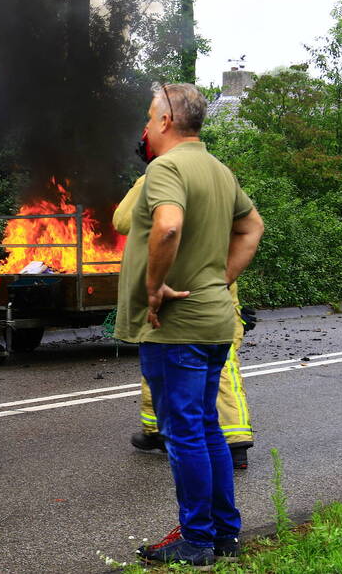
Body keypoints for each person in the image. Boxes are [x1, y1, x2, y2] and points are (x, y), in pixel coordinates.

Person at [114, 83, 264, 568]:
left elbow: (169, 225)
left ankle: (197, 541)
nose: (146, 124)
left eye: (148, 115)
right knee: (206, 428)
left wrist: (154, 286)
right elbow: (252, 227)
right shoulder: (219, 169)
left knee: (184, 435)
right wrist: (221, 278)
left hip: (176, 327)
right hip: (215, 320)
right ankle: (225, 533)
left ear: (164, 121)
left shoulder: (167, 167)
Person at [114, 174, 256, 469]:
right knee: (183, 355)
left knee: (205, 360)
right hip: (215, 282)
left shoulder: (158, 178)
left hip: (177, 282)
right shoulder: (219, 177)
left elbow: (123, 221)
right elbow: (247, 228)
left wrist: (143, 184)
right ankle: (158, 430)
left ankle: (234, 440)